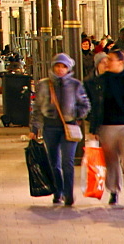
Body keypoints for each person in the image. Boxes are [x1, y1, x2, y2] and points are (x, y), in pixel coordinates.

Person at [31, 53, 91, 206]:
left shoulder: (75, 85)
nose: (60, 69)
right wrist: (34, 128)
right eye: (57, 66)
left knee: (67, 162)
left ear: (68, 68)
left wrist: (75, 116)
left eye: (63, 66)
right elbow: (37, 107)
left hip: (69, 128)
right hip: (50, 127)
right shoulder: (44, 85)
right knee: (53, 162)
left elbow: (85, 105)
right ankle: (58, 192)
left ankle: (69, 194)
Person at [87, 49, 124, 204]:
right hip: (107, 126)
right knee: (111, 161)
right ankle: (114, 190)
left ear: (121, 62)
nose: (107, 62)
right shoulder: (101, 81)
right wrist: (94, 128)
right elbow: (95, 105)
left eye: (111, 60)